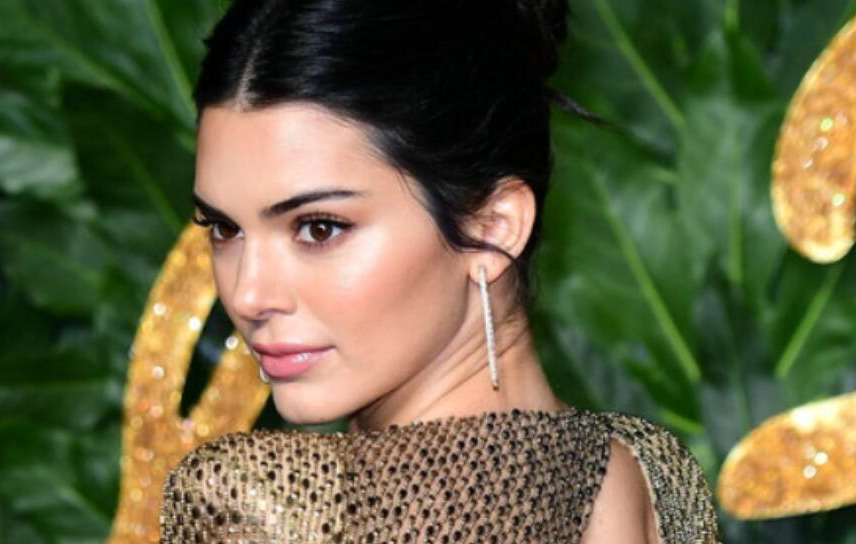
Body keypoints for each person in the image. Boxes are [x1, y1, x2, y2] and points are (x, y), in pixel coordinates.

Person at [160, 0, 721, 542]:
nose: (249, 294)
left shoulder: (261, 509)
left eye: (319, 229)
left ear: (493, 228)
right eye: (223, 228)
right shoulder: (654, 475)